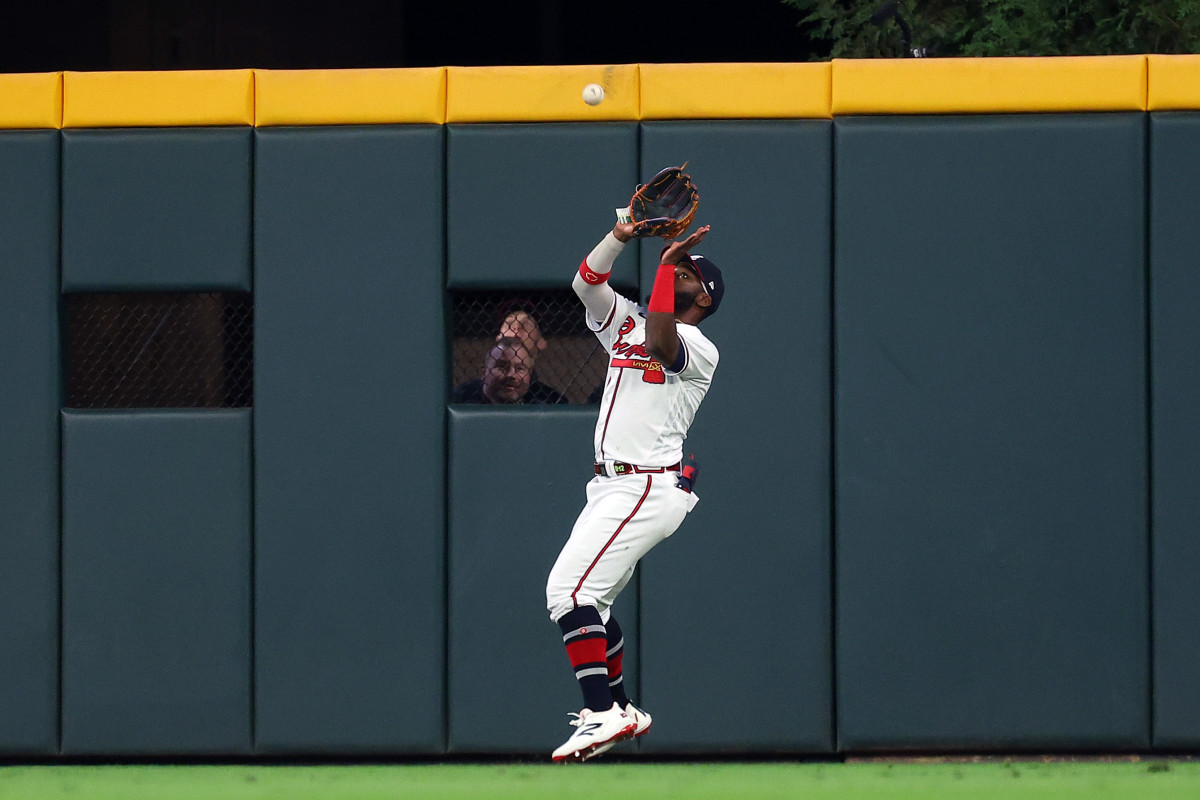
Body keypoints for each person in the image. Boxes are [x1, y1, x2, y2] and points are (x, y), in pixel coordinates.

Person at [544, 213, 724, 763]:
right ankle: (619, 708)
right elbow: (586, 283)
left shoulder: (698, 347)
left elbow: (664, 340)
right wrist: (619, 236)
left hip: (644, 486)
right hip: (614, 487)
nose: (678, 271)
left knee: (567, 593)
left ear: (705, 297)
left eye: (690, 272)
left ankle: (600, 713)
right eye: (679, 267)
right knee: (591, 607)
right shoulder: (628, 322)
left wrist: (668, 267)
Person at [452, 337, 567, 404]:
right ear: (484, 372)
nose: (511, 375)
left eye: (520, 368)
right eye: (503, 367)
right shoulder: (462, 400)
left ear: (530, 375)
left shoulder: (544, 403)